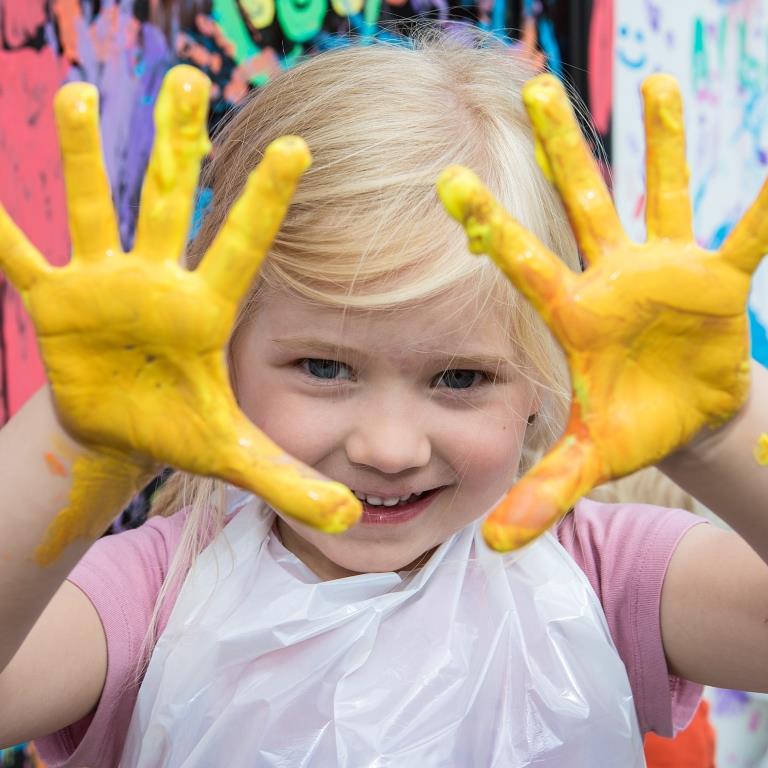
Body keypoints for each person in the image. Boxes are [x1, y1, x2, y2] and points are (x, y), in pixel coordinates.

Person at [0, 30, 766, 767]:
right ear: (219, 357)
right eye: (325, 368)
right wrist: (77, 441)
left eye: (460, 378)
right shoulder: (149, 599)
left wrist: (722, 430)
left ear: (540, 380)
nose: (389, 448)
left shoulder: (608, 578)